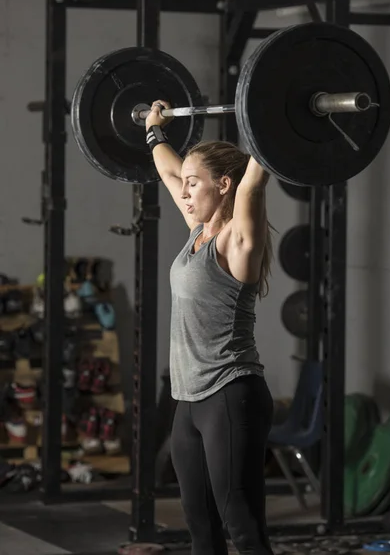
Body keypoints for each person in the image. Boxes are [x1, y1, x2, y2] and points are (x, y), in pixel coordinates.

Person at [146, 101, 275, 555]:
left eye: (193, 184)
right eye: (184, 184)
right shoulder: (196, 231)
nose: (183, 192)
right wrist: (154, 130)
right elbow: (167, 172)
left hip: (230, 392)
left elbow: (253, 184)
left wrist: (273, 116)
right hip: (189, 401)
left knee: (242, 526)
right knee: (201, 528)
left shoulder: (236, 240)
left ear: (224, 185)